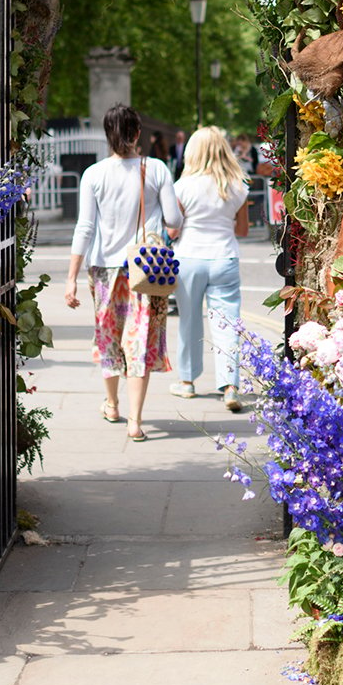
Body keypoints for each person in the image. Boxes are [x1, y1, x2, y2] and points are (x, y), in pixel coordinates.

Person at [66, 105, 184, 441]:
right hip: (145, 269)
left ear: (107, 134)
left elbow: (85, 227)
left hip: (104, 269)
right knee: (139, 339)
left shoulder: (94, 174)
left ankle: (112, 403)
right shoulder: (156, 169)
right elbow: (174, 220)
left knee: (109, 337)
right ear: (136, 134)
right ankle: (135, 421)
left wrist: (71, 277)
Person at [169, 127, 250, 412]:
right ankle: (230, 386)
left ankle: (187, 382)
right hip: (224, 257)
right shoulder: (239, 186)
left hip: (189, 258)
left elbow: (173, 230)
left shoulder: (182, 187)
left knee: (189, 321)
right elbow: (242, 230)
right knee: (227, 324)